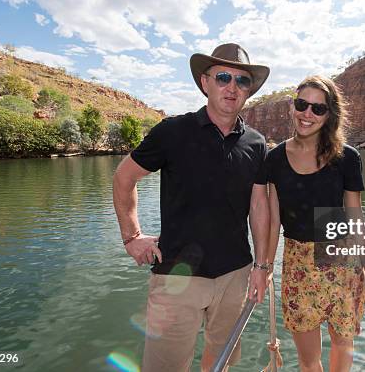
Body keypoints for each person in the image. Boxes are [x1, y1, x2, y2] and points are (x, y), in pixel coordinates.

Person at [112, 43, 271, 372]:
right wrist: (132, 237)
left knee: (221, 360)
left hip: (235, 275)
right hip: (175, 278)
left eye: (242, 81)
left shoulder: (256, 143)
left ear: (248, 91)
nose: (232, 87)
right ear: (205, 82)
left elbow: (259, 205)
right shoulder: (172, 132)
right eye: (224, 77)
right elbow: (124, 178)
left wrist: (262, 265)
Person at [259, 75, 365, 372]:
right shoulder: (274, 158)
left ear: (330, 115)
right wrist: (264, 267)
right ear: (293, 106)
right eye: (302, 105)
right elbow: (274, 220)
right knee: (308, 360)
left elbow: (355, 220)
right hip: (298, 265)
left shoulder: (347, 158)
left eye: (318, 109)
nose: (308, 114)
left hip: (343, 262)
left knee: (343, 344)